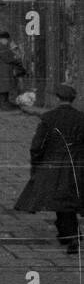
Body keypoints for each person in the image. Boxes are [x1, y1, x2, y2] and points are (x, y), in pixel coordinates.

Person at [14, 83, 84, 255]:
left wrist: (37, 165)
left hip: (56, 164)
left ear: (57, 98)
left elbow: (37, 146)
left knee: (62, 199)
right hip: (78, 162)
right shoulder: (81, 117)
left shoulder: (49, 118)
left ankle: (71, 236)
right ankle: (68, 232)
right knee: (72, 198)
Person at [0, 32, 23, 111]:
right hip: (4, 71)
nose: (7, 41)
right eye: (6, 39)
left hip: (4, 70)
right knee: (4, 88)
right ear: (3, 39)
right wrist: (16, 58)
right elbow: (10, 58)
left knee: (5, 87)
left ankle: (5, 103)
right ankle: (4, 105)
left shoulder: (1, 47)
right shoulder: (2, 48)